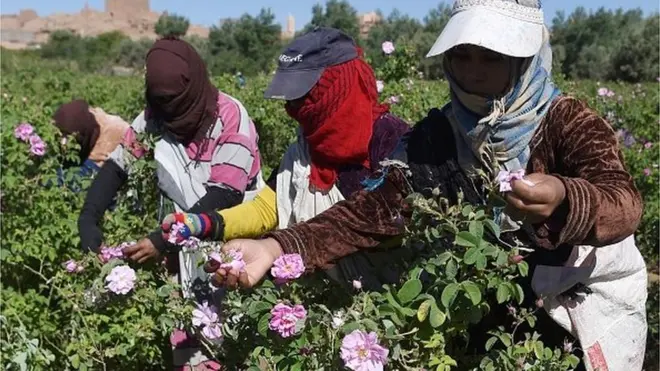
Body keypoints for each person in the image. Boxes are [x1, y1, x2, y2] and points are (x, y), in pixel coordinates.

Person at [206, 1, 648, 370]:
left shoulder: (567, 122)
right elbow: (375, 209)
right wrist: (276, 247)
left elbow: (623, 203)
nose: (473, 71)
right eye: (461, 55)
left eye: (491, 56)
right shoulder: (437, 135)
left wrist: (566, 197)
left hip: (567, 312)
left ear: (523, 57)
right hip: (485, 316)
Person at [161, 27, 411, 291]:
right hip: (319, 305)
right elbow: (267, 208)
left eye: (304, 96)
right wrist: (202, 222)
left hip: (382, 308)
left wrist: (276, 246)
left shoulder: (390, 141)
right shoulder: (306, 145)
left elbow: (378, 215)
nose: (294, 108)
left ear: (337, 85)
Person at [77, 37, 263, 370]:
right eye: (161, 102)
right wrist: (89, 218)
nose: (170, 111)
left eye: (175, 102)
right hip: (182, 248)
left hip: (234, 239)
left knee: (235, 336)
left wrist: (161, 241)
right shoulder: (153, 118)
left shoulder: (230, 117)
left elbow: (225, 195)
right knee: (189, 337)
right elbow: (119, 166)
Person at [51, 100, 129, 192]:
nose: (63, 142)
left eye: (67, 136)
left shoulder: (116, 131)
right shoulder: (82, 120)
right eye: (61, 134)